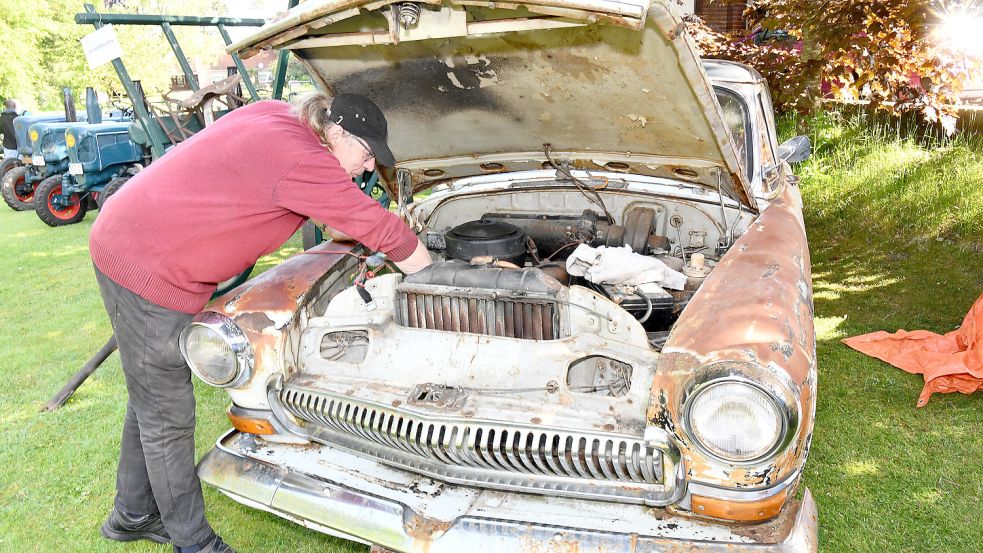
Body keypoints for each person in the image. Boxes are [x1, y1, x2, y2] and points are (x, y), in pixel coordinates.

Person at [89, 92, 432, 553]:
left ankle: (132, 513)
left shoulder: (279, 115)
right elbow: (384, 231)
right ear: (336, 134)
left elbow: (338, 218)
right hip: (149, 266)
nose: (370, 167)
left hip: (131, 236)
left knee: (150, 393)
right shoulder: (304, 162)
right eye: (366, 154)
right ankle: (195, 544)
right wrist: (430, 276)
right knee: (166, 416)